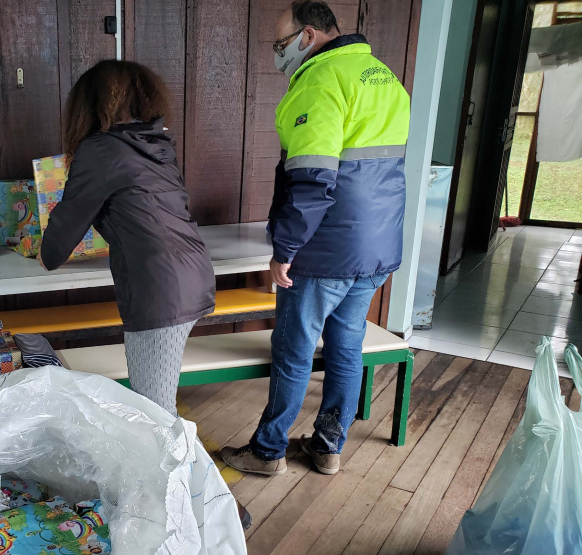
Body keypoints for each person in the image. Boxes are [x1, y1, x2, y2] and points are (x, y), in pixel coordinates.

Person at [221, 0, 410, 477]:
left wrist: (284, 249)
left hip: (326, 248)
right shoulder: (381, 76)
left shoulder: (320, 81)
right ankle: (328, 446)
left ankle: (267, 452)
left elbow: (311, 182)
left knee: (294, 349)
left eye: (280, 42)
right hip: (378, 246)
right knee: (346, 345)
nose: (277, 52)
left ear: (308, 36)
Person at [38, 60, 216, 418]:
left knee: (156, 411)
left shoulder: (100, 150)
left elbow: (56, 246)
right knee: (155, 402)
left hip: (160, 289)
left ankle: (182, 473)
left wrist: (44, 248)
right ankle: (174, 468)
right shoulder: (155, 143)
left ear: (88, 106)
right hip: (191, 275)